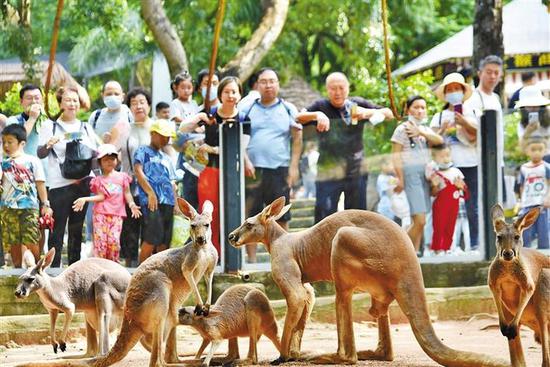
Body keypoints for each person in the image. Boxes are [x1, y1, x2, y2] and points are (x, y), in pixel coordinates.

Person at [296, 72, 394, 222]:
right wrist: (317, 115)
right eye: (333, 88)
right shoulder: (320, 106)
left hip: (356, 168)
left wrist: (368, 112)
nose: (337, 92)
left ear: (348, 88)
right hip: (328, 169)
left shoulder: (357, 103)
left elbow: (389, 113)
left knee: (357, 216)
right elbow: (298, 117)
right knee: (324, 214)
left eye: (341, 88)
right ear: (327, 90)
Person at [238, 68, 302, 261]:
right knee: (251, 215)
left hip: (280, 169)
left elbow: (297, 137)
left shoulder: (288, 108)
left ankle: (284, 256)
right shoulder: (247, 108)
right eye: (264, 81)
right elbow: (238, 138)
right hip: (252, 170)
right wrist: (245, 160)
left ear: (278, 84)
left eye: (272, 81)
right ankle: (252, 260)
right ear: (257, 85)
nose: (268, 85)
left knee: (281, 215)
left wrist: (294, 166)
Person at [37, 87, 99, 267]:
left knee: (76, 230)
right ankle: (53, 268)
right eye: (68, 100)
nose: (72, 104)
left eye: (75, 100)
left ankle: (74, 268)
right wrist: (49, 144)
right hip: (59, 185)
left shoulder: (86, 127)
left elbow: (95, 154)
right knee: (57, 230)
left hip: (83, 184)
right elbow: (40, 153)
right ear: (60, 104)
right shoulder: (50, 126)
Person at [198, 76, 251, 256]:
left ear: (240, 95)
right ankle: (211, 254)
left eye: (234, 92)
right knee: (209, 214)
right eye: (226, 91)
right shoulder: (210, 114)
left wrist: (212, 148)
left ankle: (232, 254)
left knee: (232, 213)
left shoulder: (244, 118)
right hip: (209, 172)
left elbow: (237, 148)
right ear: (220, 94)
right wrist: (199, 117)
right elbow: (183, 129)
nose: (230, 95)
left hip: (232, 173)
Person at [431, 72, 479, 251]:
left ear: (462, 90)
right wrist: (443, 130)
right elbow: (431, 141)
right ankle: (450, 244)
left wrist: (464, 122)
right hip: (446, 168)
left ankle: (474, 242)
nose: (453, 92)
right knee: (447, 207)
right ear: (445, 94)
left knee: (472, 205)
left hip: (470, 164)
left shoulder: (472, 112)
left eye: (456, 88)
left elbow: (480, 132)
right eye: (449, 89)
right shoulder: (439, 116)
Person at [392, 95, 443, 255]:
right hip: (411, 175)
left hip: (425, 176)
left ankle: (413, 255)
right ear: (408, 109)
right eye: (416, 107)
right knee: (420, 220)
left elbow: (439, 140)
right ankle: (396, 251)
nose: (420, 111)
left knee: (420, 221)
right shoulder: (402, 129)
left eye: (423, 107)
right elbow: (396, 156)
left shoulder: (424, 129)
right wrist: (400, 178)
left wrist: (420, 131)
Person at [72, 144, 141, 262]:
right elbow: (101, 196)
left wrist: (132, 204)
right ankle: (99, 268)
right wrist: (84, 199)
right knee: (101, 244)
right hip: (100, 215)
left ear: (117, 160)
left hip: (117, 215)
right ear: (100, 162)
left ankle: (112, 267)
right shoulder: (98, 180)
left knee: (114, 242)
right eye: (106, 159)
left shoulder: (122, 177)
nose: (109, 161)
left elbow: (127, 193)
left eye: (112, 158)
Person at [464, 55, 505, 249]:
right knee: (477, 204)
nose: (492, 76)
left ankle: (497, 242)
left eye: (496, 72)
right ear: (480, 73)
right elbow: (468, 131)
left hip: (497, 160)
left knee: (497, 203)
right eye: (489, 72)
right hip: (477, 160)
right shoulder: (471, 98)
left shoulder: (496, 98)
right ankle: (477, 243)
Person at [0, 124, 52, 267]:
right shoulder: (2, 162)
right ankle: (17, 271)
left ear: (22, 143)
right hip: (7, 208)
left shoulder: (32, 160)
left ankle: (36, 269)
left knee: (31, 239)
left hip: (29, 207)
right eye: (3, 141)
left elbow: (40, 184)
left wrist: (45, 204)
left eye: (10, 142)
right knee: (13, 241)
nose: (6, 145)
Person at [133, 119, 177, 263]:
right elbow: (138, 172)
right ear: (153, 134)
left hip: (168, 202)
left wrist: (176, 203)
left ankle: (160, 273)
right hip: (151, 201)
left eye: (168, 136)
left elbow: (172, 182)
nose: (166, 139)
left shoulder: (167, 158)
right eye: (163, 135)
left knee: (164, 241)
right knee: (152, 238)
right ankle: (140, 272)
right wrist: (150, 192)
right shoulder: (142, 151)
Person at [119, 87, 153, 267]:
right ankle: (130, 265)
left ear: (148, 105)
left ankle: (147, 266)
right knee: (130, 227)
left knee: (150, 228)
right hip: (130, 185)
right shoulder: (125, 129)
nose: (138, 106)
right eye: (134, 103)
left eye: (142, 102)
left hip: (152, 185)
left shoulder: (156, 127)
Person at [425, 144, 468, 255]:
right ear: (434, 158)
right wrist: (434, 186)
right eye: (441, 156)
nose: (445, 158)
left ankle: (447, 248)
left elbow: (465, 191)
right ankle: (437, 248)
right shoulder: (435, 174)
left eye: (447, 155)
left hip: (454, 205)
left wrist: (461, 187)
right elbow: (433, 194)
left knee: (451, 227)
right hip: (439, 206)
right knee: (439, 227)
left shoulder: (456, 172)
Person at [517, 136, 549, 249]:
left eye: (540, 149)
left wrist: (548, 198)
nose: (537, 152)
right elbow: (522, 186)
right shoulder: (523, 168)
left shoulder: (546, 167)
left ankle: (545, 254)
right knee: (526, 230)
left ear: (545, 151)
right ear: (527, 151)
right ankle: (526, 252)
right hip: (527, 204)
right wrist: (521, 201)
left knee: (543, 231)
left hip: (542, 204)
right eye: (533, 149)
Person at [5, 84, 50, 157]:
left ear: (42, 101)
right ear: (21, 101)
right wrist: (32, 118)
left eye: (37, 98)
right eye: (29, 98)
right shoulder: (12, 121)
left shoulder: (48, 122)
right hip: (22, 167)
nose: (34, 101)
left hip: (43, 168)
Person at [88, 80, 132, 149]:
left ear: (123, 97)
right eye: (109, 94)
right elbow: (89, 141)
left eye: (116, 94)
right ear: (102, 96)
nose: (113, 97)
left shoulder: (129, 115)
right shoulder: (95, 116)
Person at [515, 85, 550, 162]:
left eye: (535, 105)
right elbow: (521, 149)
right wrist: (527, 132)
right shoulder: (522, 124)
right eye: (528, 106)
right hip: (532, 160)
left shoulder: (548, 118)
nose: (532, 108)